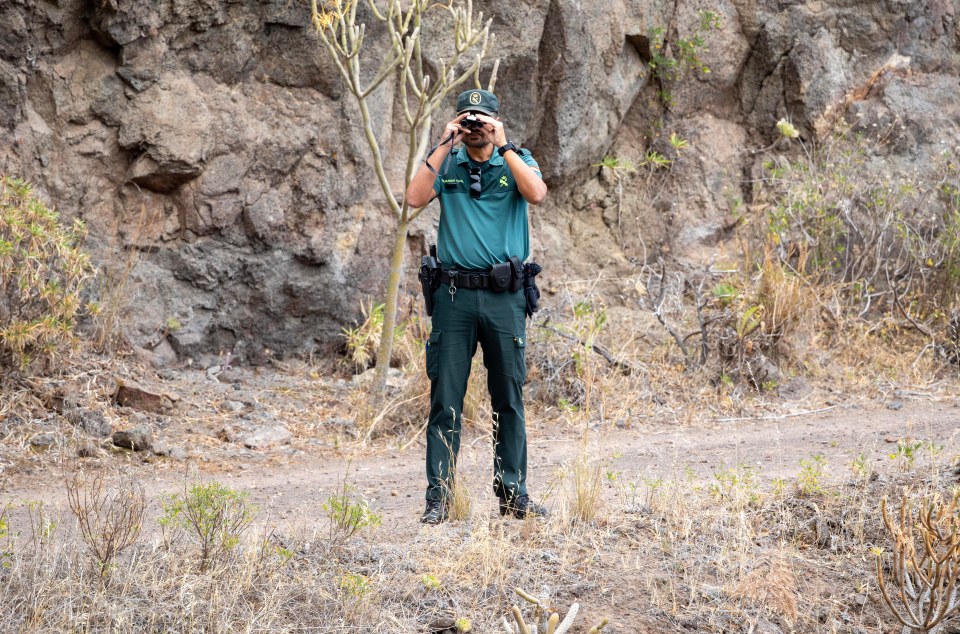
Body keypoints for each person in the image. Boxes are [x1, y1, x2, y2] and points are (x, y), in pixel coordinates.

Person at [406, 88, 549, 524]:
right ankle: (439, 499)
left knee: (508, 398)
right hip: (453, 298)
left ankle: (513, 495)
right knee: (445, 401)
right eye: (467, 119)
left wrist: (503, 145)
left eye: (481, 120)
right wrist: (444, 141)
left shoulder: (517, 158)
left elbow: (537, 194)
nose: (474, 128)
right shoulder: (447, 161)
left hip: (504, 297)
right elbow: (413, 198)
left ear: (496, 121)